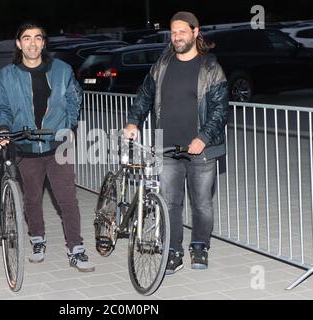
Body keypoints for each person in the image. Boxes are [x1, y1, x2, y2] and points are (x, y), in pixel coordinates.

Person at [124, 12, 229, 274]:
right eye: (174, 32)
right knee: (170, 202)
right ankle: (173, 251)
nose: (178, 36)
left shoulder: (210, 68)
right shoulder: (162, 64)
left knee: (202, 204)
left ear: (196, 32)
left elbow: (220, 109)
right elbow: (144, 95)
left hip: (200, 150)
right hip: (167, 147)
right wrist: (133, 121)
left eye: (183, 31)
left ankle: (200, 247)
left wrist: (203, 137)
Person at [0, 22, 95, 272]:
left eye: (38, 38)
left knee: (67, 199)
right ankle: (37, 239)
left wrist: (69, 126)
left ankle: (76, 248)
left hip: (57, 144)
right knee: (32, 198)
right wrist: (4, 130)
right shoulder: (6, 75)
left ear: (44, 42)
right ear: (19, 44)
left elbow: (74, 97)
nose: (33, 43)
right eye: (26, 38)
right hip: (25, 145)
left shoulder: (61, 69)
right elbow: (2, 107)